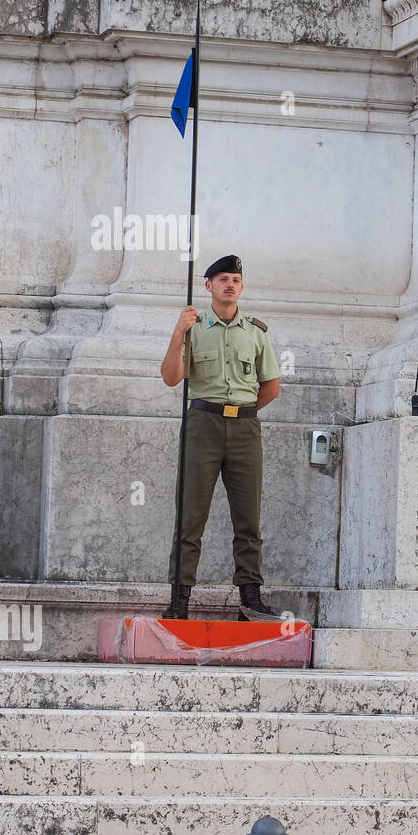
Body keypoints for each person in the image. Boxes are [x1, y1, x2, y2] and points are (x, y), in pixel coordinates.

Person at [159, 254, 281, 621]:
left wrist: (243, 414)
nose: (230, 285)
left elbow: (271, 387)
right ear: (209, 286)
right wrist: (178, 333)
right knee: (190, 517)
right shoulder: (195, 328)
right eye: (223, 279)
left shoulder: (256, 332)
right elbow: (170, 377)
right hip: (204, 425)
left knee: (248, 519)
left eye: (236, 280)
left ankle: (250, 599)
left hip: (244, 427)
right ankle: (180, 599)